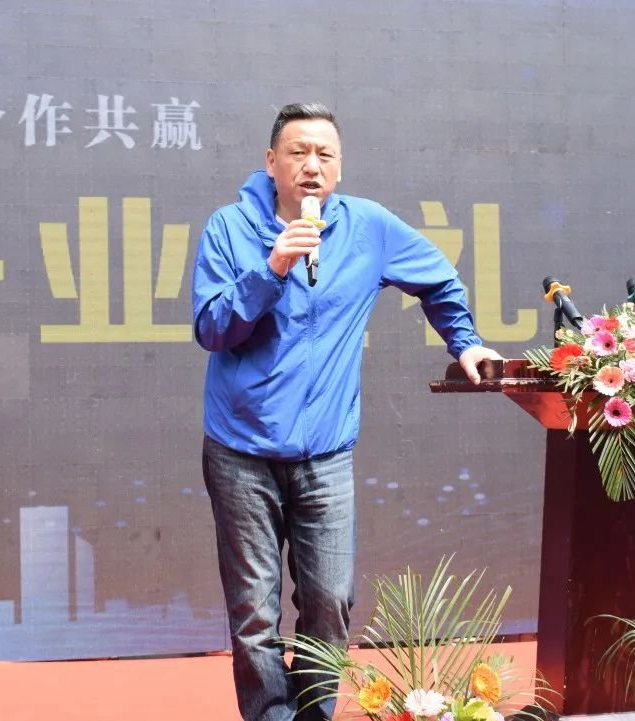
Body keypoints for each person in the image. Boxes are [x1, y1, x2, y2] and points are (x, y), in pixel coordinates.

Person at [191, 102, 502, 721]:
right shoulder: (228, 228)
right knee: (253, 613)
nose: (312, 165)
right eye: (298, 152)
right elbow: (211, 328)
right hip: (240, 451)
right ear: (271, 162)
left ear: (339, 166)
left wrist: (464, 343)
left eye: (324, 154)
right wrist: (272, 268)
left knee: (329, 602)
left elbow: (439, 281)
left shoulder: (369, 227)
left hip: (326, 454)